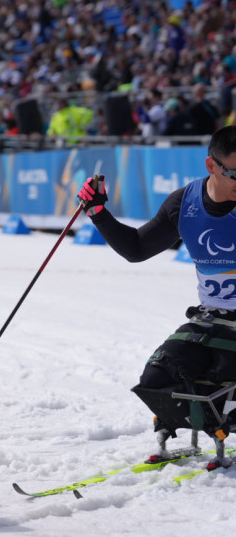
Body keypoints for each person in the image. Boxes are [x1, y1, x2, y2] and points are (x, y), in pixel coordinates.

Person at [76, 125, 236, 464]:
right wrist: (98, 213)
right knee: (157, 378)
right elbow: (136, 248)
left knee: (223, 385)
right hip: (213, 319)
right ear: (212, 166)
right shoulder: (184, 202)